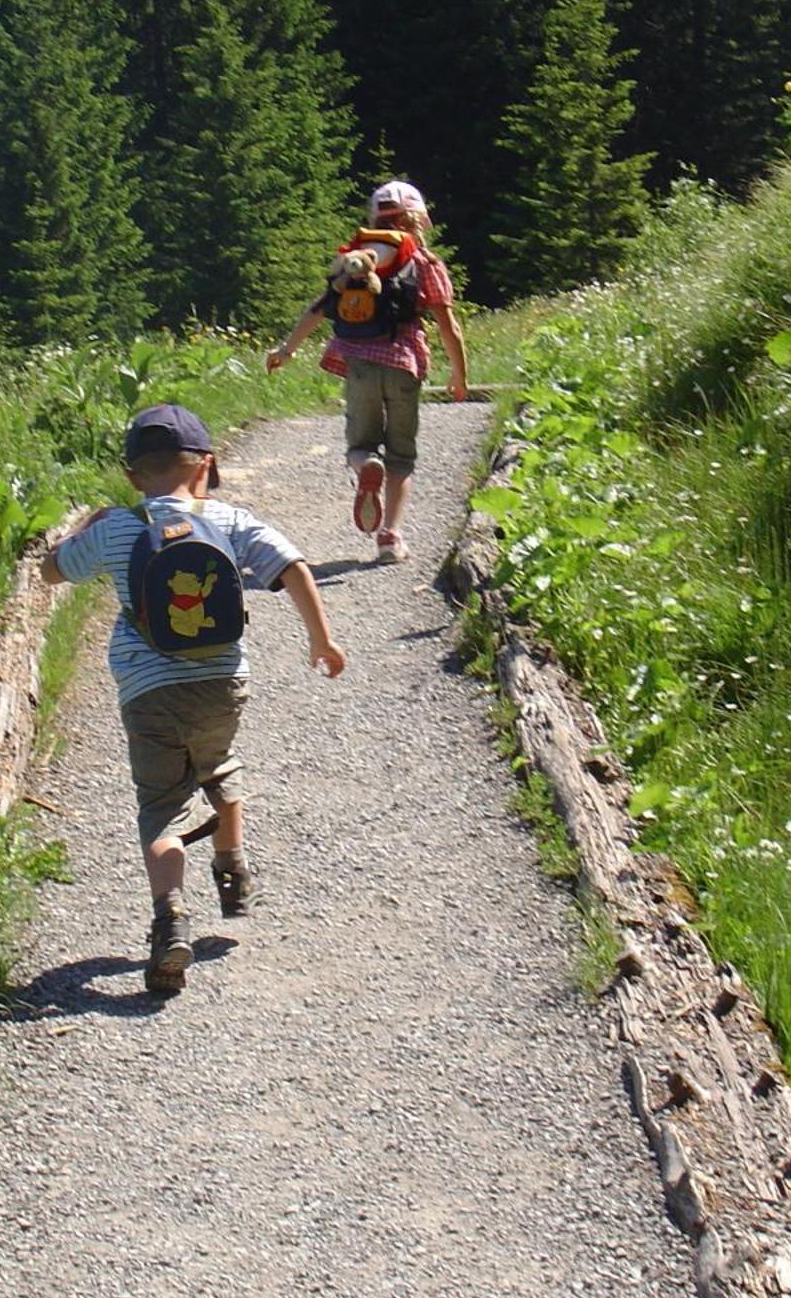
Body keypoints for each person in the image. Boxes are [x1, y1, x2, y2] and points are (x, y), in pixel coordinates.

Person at [40, 403, 347, 995]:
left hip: (148, 692)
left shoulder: (118, 527)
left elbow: (55, 572)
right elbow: (293, 567)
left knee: (160, 807)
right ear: (205, 465)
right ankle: (231, 868)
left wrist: (85, 531)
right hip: (223, 684)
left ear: (132, 475)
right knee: (219, 763)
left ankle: (170, 919)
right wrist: (322, 639)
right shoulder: (229, 519)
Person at [265, 179, 469, 565]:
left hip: (358, 365)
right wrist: (459, 376)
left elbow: (320, 307)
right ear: (421, 220)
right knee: (402, 455)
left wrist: (287, 349)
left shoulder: (352, 263)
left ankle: (365, 466)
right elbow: (448, 325)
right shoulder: (425, 263)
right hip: (405, 366)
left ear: (375, 218)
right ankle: (390, 538)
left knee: (360, 445)